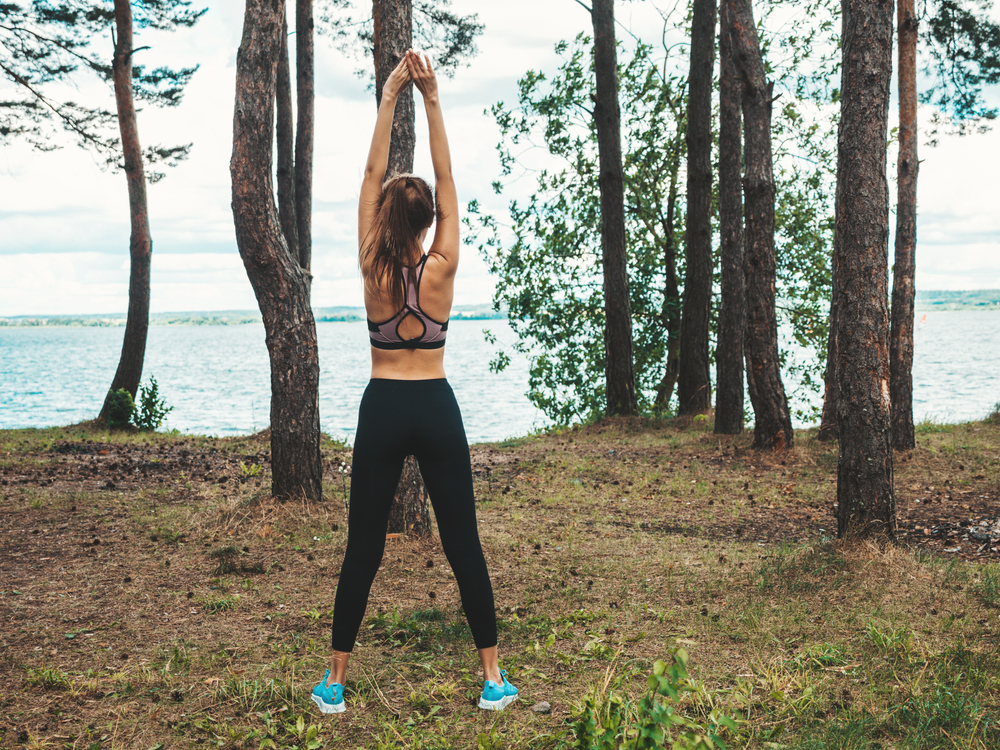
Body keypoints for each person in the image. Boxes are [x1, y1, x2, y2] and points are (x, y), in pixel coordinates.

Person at [310, 50, 518, 715]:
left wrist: (392, 90)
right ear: (428, 221)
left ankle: (335, 683)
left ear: (385, 221)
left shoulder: (372, 264)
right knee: (463, 542)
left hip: (383, 404)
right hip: (434, 402)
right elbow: (448, 173)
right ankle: (492, 680)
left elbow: (373, 173)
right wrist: (430, 98)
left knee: (362, 548)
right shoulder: (445, 263)